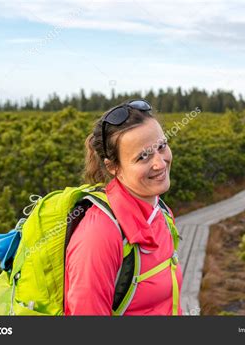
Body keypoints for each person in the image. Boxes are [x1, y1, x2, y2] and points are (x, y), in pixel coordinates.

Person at [64, 100, 183, 315]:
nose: (160, 162)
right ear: (113, 167)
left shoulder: (160, 211)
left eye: (162, 146)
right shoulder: (99, 235)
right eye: (143, 156)